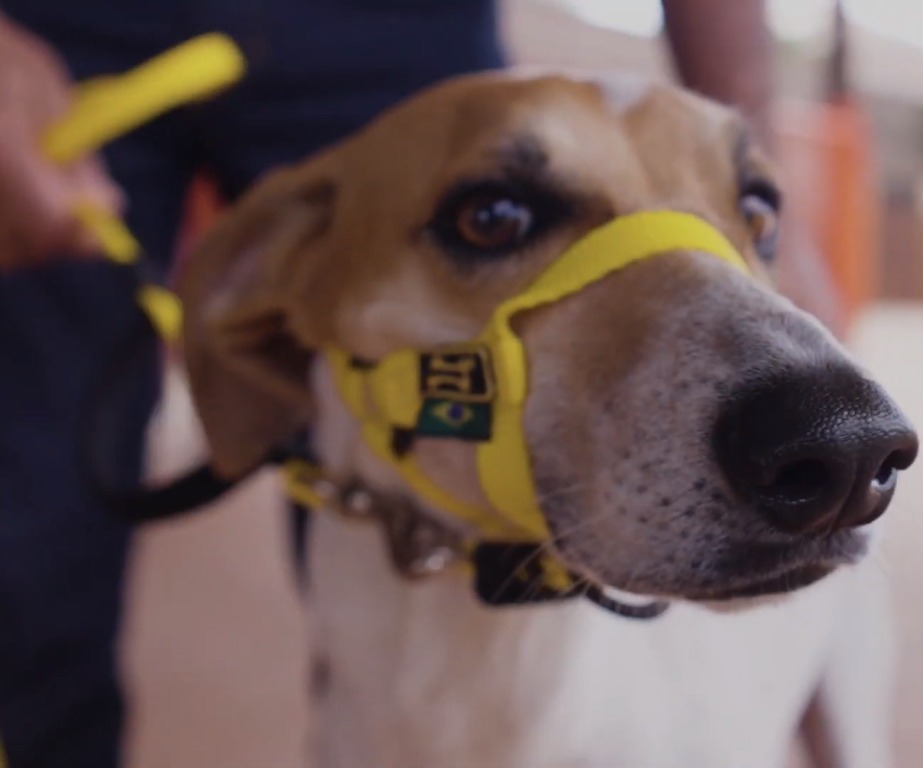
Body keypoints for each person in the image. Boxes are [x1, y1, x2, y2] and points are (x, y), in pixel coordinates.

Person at [0, 1, 843, 765]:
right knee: (29, 542)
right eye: (499, 216)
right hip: (55, 29)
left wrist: (782, 204)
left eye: (753, 211)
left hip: (401, 21)